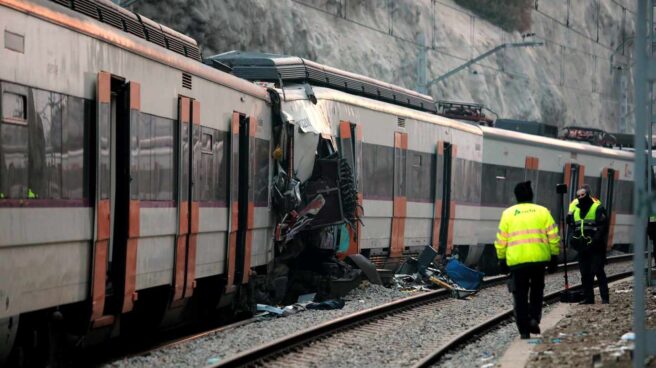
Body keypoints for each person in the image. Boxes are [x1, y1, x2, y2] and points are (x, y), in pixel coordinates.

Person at [495, 181, 560, 339]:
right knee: (537, 292)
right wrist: (554, 257)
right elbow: (553, 237)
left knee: (520, 295)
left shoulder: (508, 214)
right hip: (538, 262)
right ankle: (534, 319)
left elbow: (501, 241)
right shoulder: (543, 212)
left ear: (516, 196)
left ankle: (524, 330)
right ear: (531, 195)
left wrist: (502, 260)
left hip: (517, 263)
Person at [568, 188, 609, 304]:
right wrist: (573, 240)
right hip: (583, 248)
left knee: (598, 271)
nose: (581, 197)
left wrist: (595, 240)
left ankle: (605, 298)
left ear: (588, 195)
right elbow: (573, 228)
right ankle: (588, 298)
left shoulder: (598, 208)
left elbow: (603, 227)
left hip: (596, 247)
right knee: (585, 273)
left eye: (583, 195)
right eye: (578, 196)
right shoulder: (576, 211)